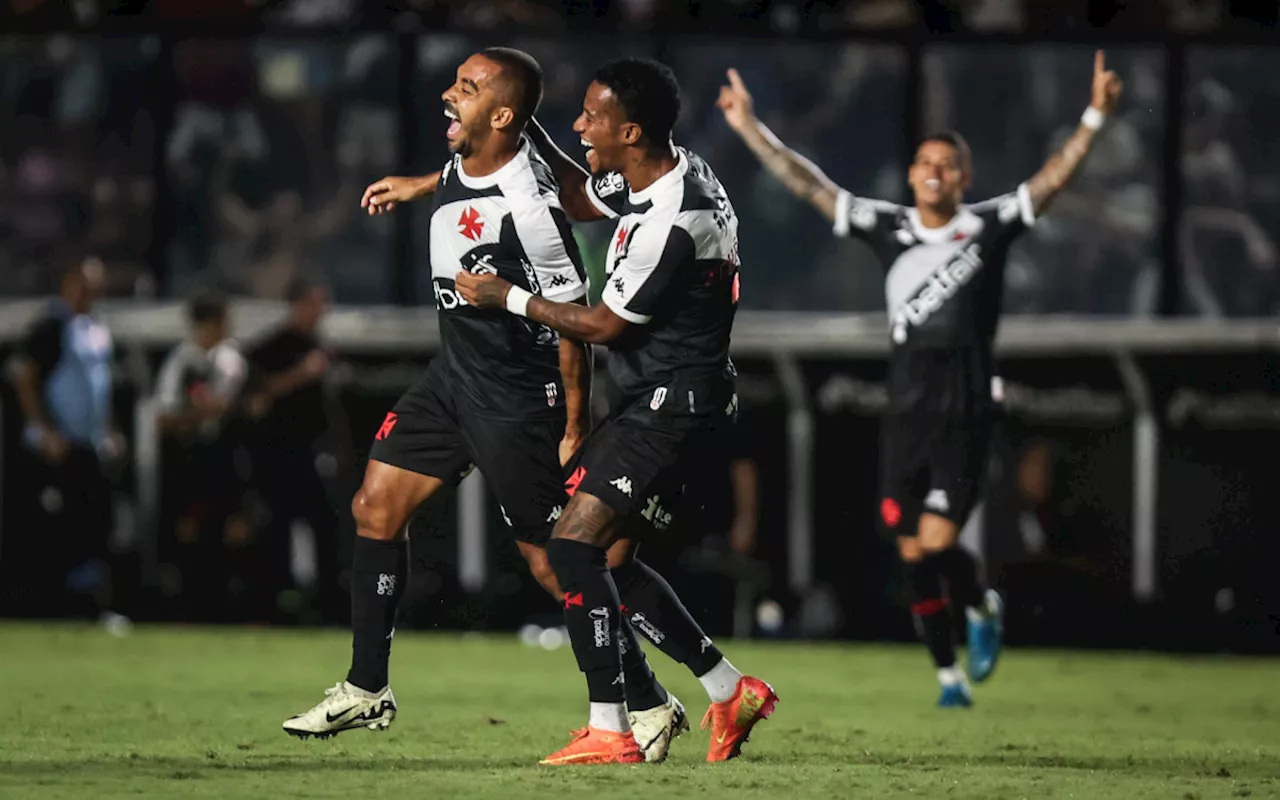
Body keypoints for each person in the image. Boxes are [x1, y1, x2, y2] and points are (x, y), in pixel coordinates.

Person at [280, 49, 689, 763]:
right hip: (452, 377)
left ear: (502, 115)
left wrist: (571, 425)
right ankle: (367, 686)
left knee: (555, 564)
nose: (447, 94)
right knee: (375, 506)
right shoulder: (488, 151)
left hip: (514, 396)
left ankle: (650, 701)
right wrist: (416, 186)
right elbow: (466, 176)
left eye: (465, 89)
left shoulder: (531, 212)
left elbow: (573, 318)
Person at [716, 51, 1124, 706]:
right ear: (912, 175)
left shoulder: (986, 228)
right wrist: (748, 129)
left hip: (964, 409)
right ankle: (949, 677)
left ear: (964, 177)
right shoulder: (890, 228)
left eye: (946, 165)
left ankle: (981, 609)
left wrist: (1096, 115)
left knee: (935, 542)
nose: (934, 173)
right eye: (925, 164)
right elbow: (809, 185)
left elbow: (1050, 182)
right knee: (913, 554)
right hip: (906, 411)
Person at [456, 57, 778, 765]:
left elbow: (604, 327)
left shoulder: (676, 219)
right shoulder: (657, 170)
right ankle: (729, 690)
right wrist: (523, 113)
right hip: (655, 403)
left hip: (674, 408)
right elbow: (577, 192)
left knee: (572, 548)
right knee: (609, 563)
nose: (580, 125)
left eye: (591, 118)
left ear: (629, 131)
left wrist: (505, 296)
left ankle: (612, 727)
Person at [7, 258, 126, 621]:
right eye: (83, 285)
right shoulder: (50, 326)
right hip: (53, 449)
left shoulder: (96, 329)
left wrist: (110, 430)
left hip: (87, 447)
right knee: (47, 529)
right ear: (67, 284)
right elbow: (24, 378)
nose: (90, 293)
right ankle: (40, 604)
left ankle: (88, 604)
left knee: (92, 526)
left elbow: (100, 389)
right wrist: (46, 431)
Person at [244, 276, 343, 622]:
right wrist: (300, 374)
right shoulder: (271, 348)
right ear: (298, 304)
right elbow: (255, 397)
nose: (320, 312)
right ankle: (276, 602)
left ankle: (327, 600)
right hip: (279, 454)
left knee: (326, 524)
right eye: (315, 304)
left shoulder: (320, 344)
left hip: (314, 451)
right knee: (278, 528)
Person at [154, 292, 250, 620]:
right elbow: (165, 418)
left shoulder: (231, 359)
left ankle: (226, 607)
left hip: (226, 458)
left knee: (230, 529)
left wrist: (192, 414)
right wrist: (198, 414)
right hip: (189, 459)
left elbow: (224, 407)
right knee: (188, 528)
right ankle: (188, 607)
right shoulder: (181, 361)